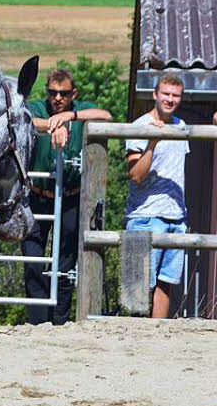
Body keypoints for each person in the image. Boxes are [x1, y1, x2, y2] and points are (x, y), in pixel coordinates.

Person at [21, 68, 112, 324]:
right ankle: (37, 323)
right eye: (52, 92)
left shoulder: (79, 109)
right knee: (32, 259)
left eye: (63, 93)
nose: (57, 98)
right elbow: (23, 117)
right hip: (38, 195)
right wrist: (53, 125)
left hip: (72, 198)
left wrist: (69, 117)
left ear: (74, 93)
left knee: (65, 264)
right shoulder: (38, 108)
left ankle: (59, 321)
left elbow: (106, 115)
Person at [125, 73, 189, 319]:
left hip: (177, 217)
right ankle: (131, 340)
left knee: (166, 283)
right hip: (144, 215)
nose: (170, 99)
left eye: (176, 95)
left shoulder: (182, 126)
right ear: (155, 94)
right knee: (135, 290)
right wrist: (153, 142)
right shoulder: (139, 126)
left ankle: (156, 338)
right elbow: (136, 175)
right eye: (166, 94)